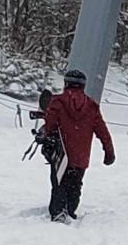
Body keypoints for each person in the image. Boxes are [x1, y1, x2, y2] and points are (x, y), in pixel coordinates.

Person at [41, 69, 115, 222]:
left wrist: (45, 136)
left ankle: (58, 213)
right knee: (75, 184)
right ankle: (70, 210)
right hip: (81, 156)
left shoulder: (57, 102)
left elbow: (50, 125)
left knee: (59, 183)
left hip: (61, 153)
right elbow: (103, 131)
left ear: (66, 83)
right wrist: (109, 151)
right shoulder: (92, 106)